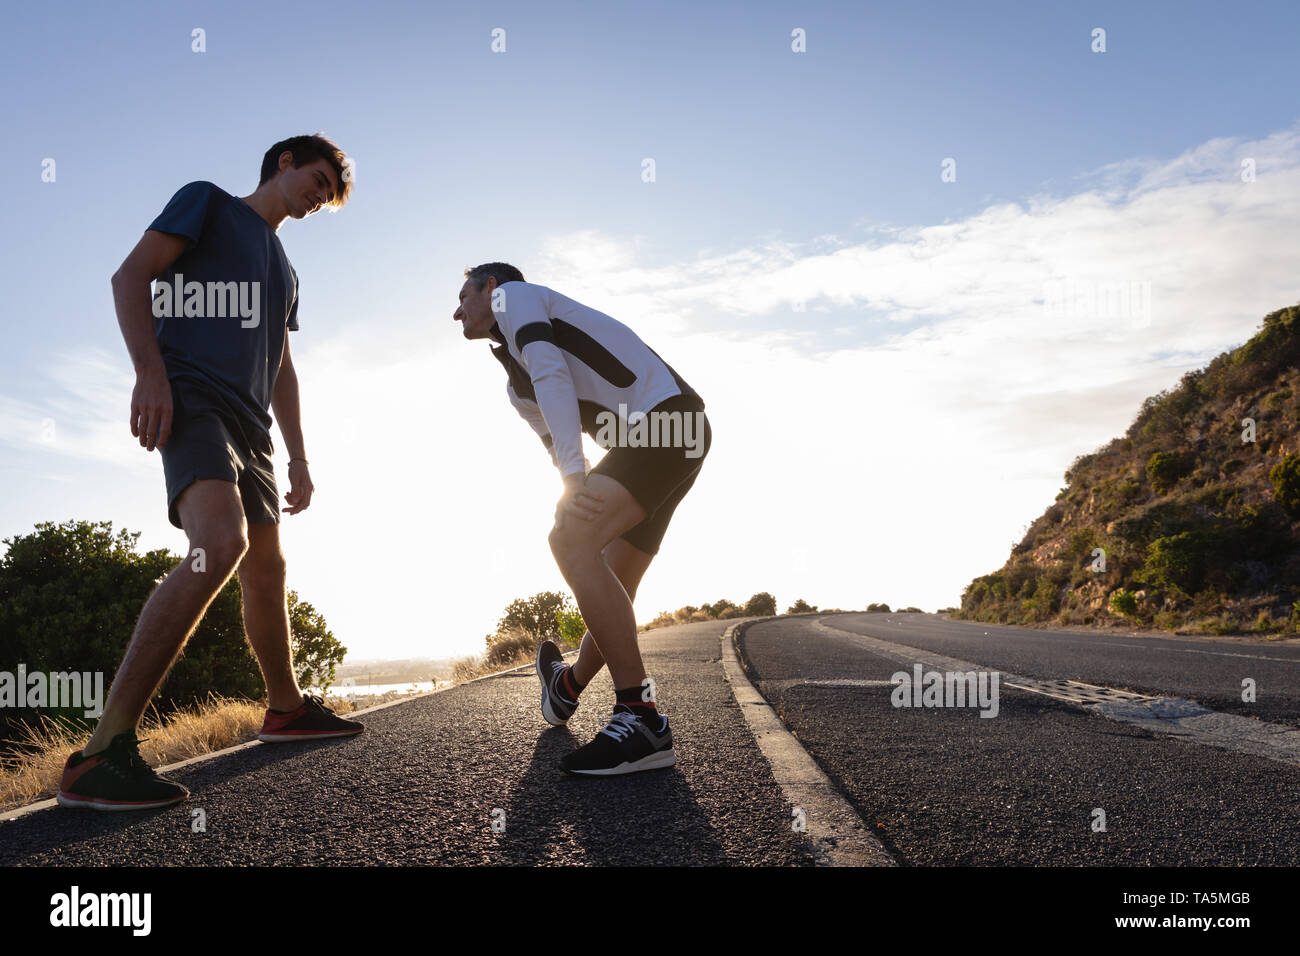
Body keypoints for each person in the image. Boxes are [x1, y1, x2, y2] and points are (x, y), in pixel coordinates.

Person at [58, 134, 362, 811]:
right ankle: (100, 752)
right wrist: (150, 375)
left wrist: (301, 455)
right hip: (192, 395)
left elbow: (281, 364)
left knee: (267, 568)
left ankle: (284, 709)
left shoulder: (284, 268)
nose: (318, 199)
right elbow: (130, 276)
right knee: (218, 546)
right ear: (284, 162)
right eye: (316, 181)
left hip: (252, 428)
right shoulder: (208, 204)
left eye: (327, 196)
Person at [454, 263, 711, 775]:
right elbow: (552, 437)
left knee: (569, 541)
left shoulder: (515, 297)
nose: (456, 310)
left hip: (665, 422)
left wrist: (575, 478)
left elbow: (550, 370)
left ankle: (641, 719)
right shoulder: (515, 388)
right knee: (611, 578)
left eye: (463, 294)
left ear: (490, 286)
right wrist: (568, 471)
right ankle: (566, 687)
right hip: (672, 438)